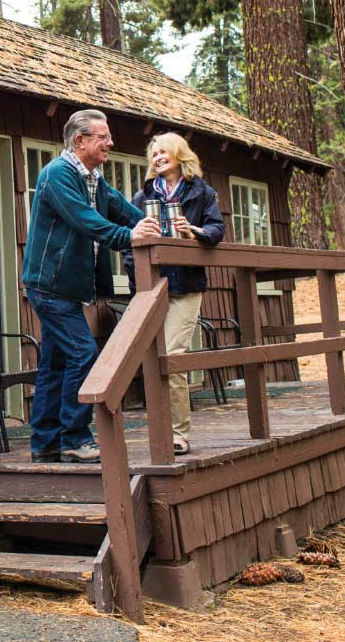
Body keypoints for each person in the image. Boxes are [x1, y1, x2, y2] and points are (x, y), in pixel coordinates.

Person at [21, 110, 162, 463]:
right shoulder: (57, 174)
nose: (110, 143)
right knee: (83, 354)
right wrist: (130, 237)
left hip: (66, 288)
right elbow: (86, 221)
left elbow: (122, 209)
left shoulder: (94, 178)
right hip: (49, 286)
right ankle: (75, 437)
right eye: (103, 137)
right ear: (80, 140)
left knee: (55, 364)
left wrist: (157, 227)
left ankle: (45, 443)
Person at [122, 131, 226, 456]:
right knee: (154, 359)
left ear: (179, 154)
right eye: (154, 154)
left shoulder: (201, 192)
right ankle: (160, 430)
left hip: (186, 287)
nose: (157, 157)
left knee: (174, 356)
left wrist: (194, 232)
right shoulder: (142, 197)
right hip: (152, 287)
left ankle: (178, 433)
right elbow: (129, 242)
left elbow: (216, 229)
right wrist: (136, 279)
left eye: (163, 151)